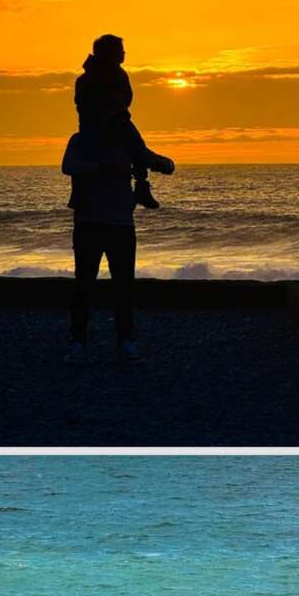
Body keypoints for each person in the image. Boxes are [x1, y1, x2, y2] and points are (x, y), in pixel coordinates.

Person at [60, 124, 171, 363]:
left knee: (123, 286)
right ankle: (78, 339)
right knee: (84, 284)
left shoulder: (125, 140)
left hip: (120, 222)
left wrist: (161, 163)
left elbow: (143, 155)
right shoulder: (80, 140)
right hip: (89, 221)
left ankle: (125, 340)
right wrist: (103, 167)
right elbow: (68, 166)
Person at [74, 34, 173, 209]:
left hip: (111, 121)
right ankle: (150, 172)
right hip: (107, 123)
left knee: (135, 143)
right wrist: (111, 117)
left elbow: (126, 99)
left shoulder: (112, 74)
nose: (124, 54)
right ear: (110, 53)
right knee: (136, 145)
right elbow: (107, 103)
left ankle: (142, 184)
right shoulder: (96, 78)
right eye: (121, 50)